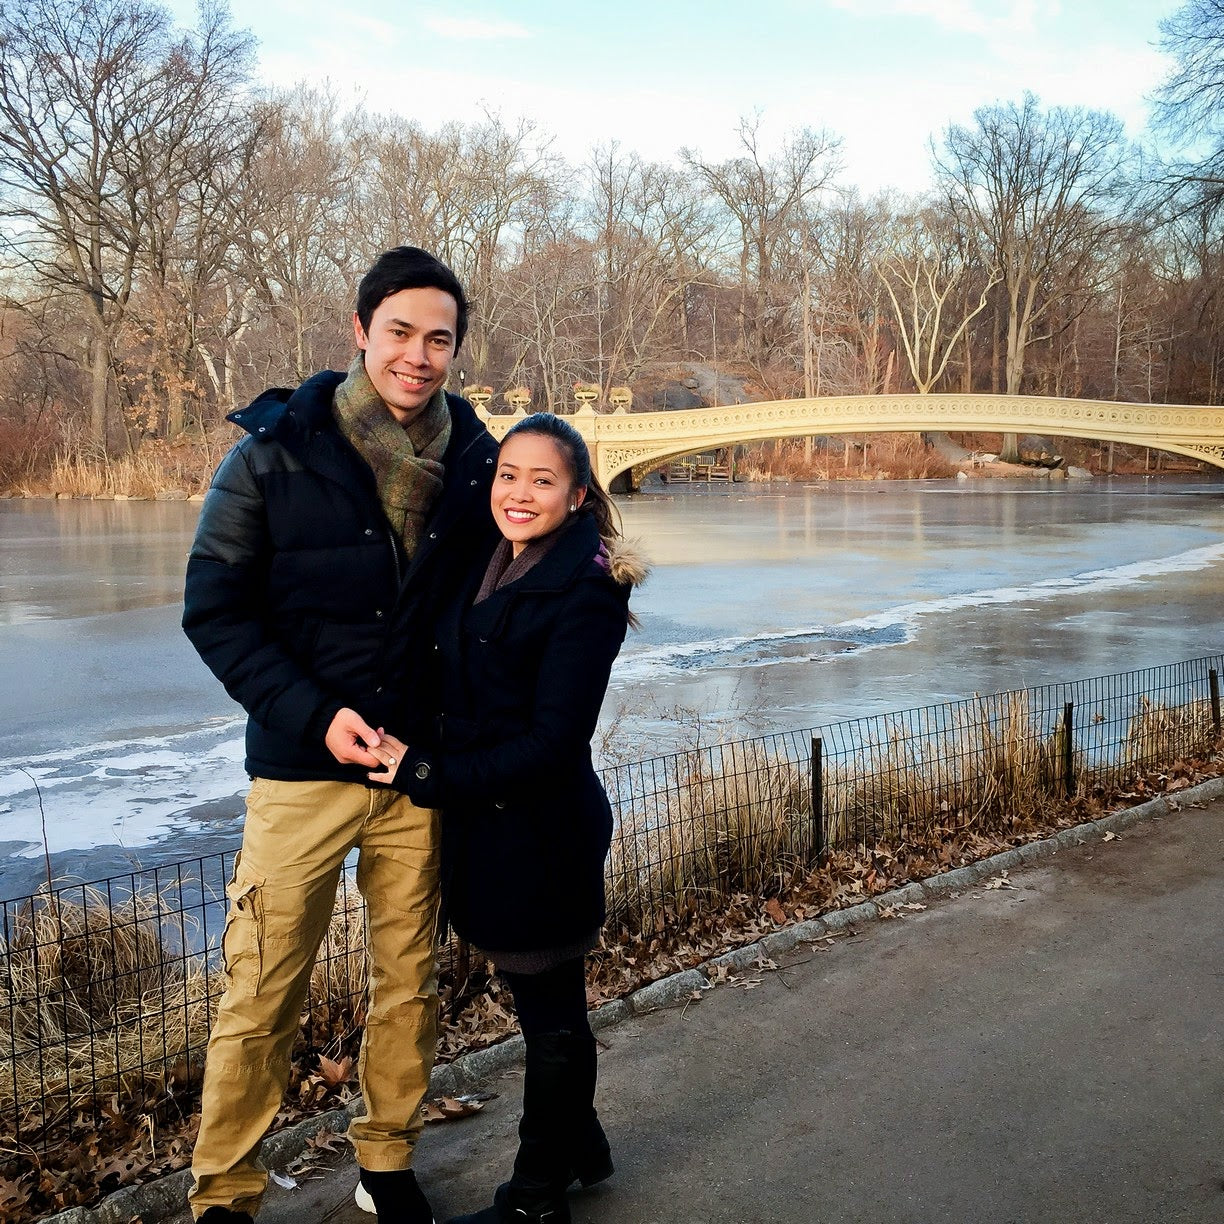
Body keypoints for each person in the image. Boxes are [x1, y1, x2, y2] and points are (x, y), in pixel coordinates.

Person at [181, 246, 498, 1224]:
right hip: (300, 773)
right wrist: (317, 716)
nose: (418, 356)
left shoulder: (478, 460)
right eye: (399, 331)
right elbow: (215, 612)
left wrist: (609, 573)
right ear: (360, 331)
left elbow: (533, 568)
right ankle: (225, 1194)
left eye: (438, 338)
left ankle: (387, 1162)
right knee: (260, 990)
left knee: (409, 983)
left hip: (417, 770)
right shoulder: (271, 452)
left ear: (455, 348)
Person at [368, 412, 647, 1224]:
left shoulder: (587, 589)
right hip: (489, 831)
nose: (519, 493)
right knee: (545, 1006)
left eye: (542, 480)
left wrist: (425, 772)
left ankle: (534, 1199)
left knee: (553, 1019)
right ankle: (582, 1150)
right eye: (508, 475)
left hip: (539, 834)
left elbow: (552, 745)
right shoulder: (492, 556)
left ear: (578, 495)